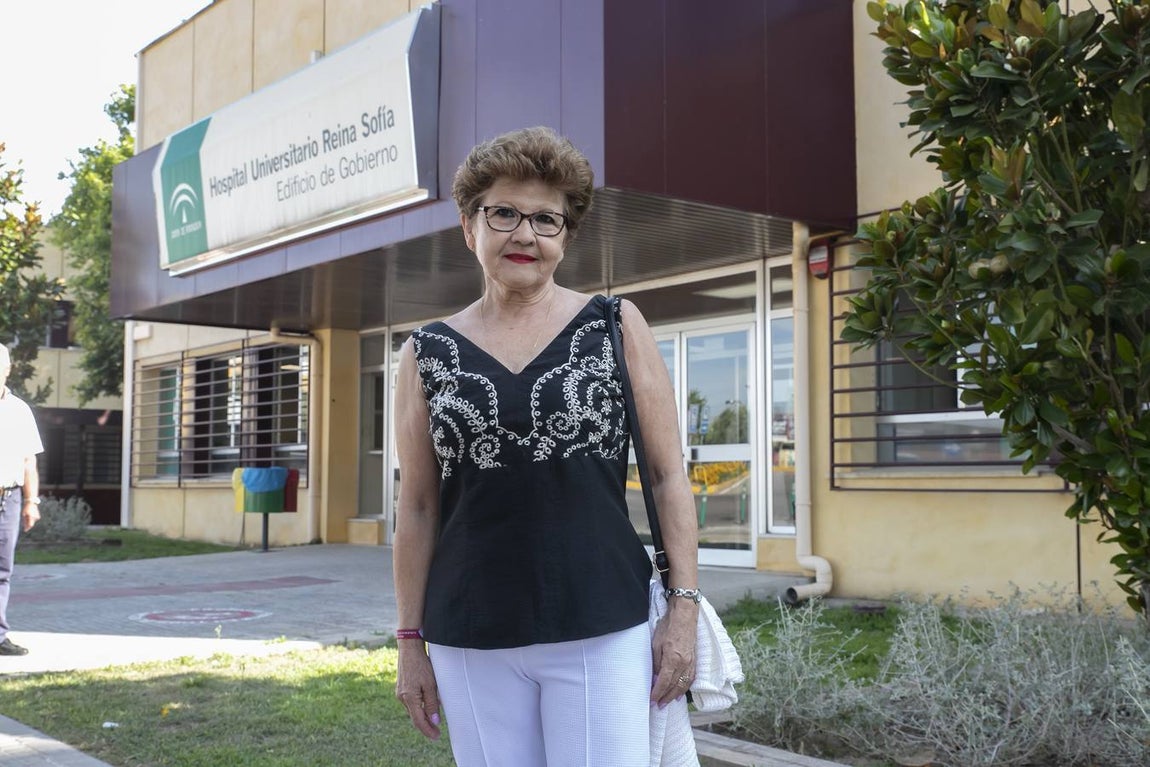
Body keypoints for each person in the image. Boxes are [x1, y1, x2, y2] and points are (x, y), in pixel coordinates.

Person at [392, 126, 701, 766]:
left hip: (602, 620)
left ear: (566, 235)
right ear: (468, 225)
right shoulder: (425, 353)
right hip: (469, 630)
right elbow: (418, 507)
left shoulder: (615, 324)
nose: (525, 235)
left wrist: (684, 613)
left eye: (546, 220)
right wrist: (409, 642)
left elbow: (670, 477)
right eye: (503, 213)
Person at [0, 343, 43, 657]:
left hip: (9, 498)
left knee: (3, 569)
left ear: (7, 369)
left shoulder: (19, 410)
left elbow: (29, 460)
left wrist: (32, 502)